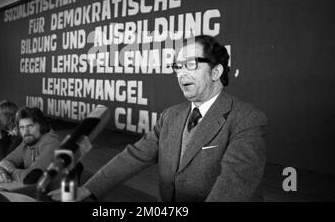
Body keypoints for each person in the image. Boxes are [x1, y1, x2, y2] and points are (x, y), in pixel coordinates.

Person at [59, 35, 267, 202]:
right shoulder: (170, 116)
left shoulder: (247, 119)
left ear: (216, 72)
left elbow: (234, 184)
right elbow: (134, 155)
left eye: (191, 64)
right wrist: (89, 189)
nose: (181, 73)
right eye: (177, 66)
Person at [0, 107, 60, 184]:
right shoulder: (28, 140)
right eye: (22, 127)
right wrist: (1, 171)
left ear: (41, 125)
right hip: (34, 191)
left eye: (30, 126)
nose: (26, 132)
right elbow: (6, 161)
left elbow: (30, 178)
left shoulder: (51, 142)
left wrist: (11, 170)